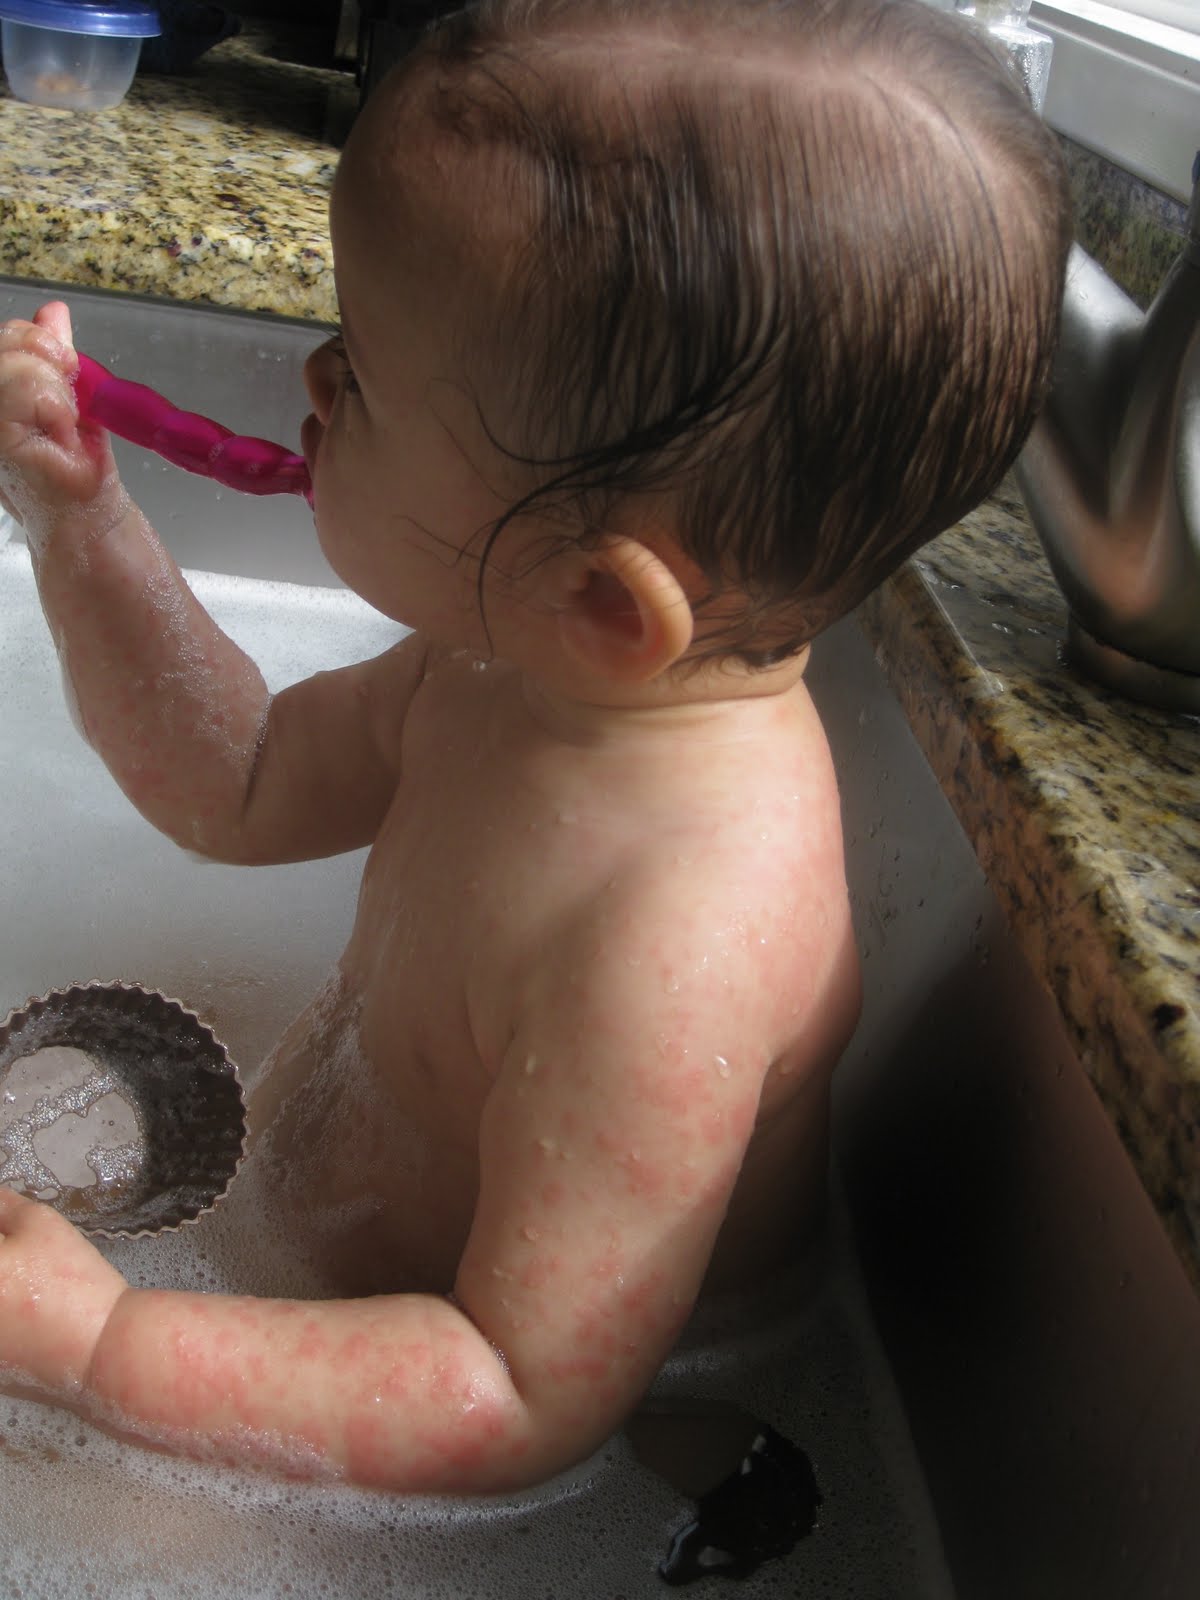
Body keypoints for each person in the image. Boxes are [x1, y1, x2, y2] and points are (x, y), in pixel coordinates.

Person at [0, 0, 1071, 1493]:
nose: (314, 383)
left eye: (365, 374)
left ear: (602, 600)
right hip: (303, 1277)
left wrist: (102, 1349)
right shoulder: (512, 665)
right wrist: (84, 526)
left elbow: (511, 1392)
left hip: (582, 1443)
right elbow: (240, 781)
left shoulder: (671, 945)